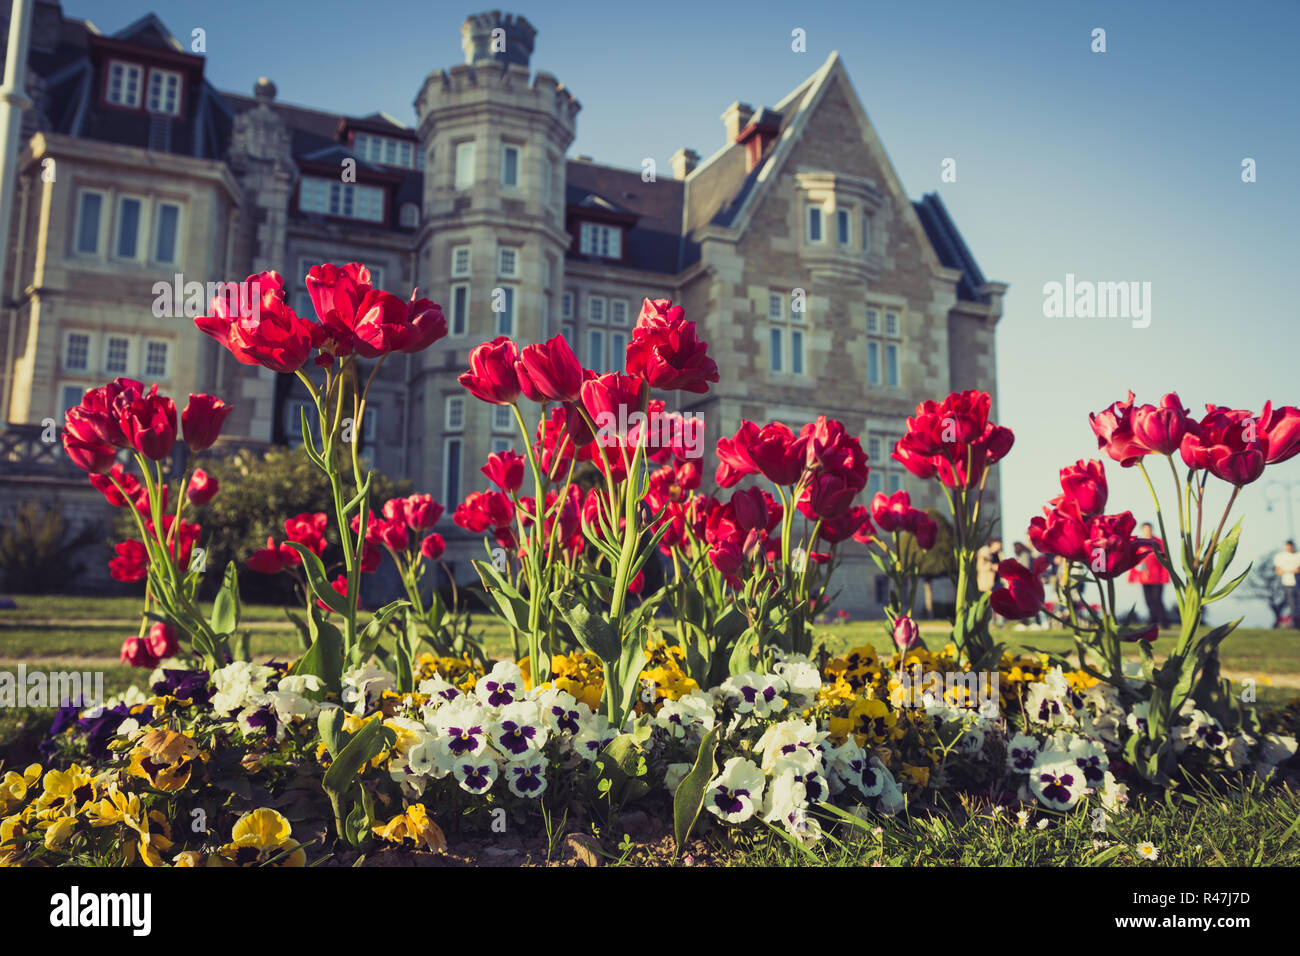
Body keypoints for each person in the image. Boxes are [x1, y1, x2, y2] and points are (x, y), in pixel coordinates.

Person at [1127, 522, 1171, 630]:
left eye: (1149, 529)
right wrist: (1132, 576)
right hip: (1144, 578)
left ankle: (1164, 623)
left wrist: (1165, 577)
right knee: (1148, 600)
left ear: (1152, 530)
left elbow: (1165, 560)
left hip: (1157, 578)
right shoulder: (1139, 543)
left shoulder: (1159, 542)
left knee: (1157, 599)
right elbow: (1134, 560)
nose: (1147, 531)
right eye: (1145, 529)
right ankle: (1152, 621)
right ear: (1142, 530)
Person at [1274, 540, 1300, 629]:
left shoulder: (1298, 555)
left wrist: (1286, 570)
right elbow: (1278, 571)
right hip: (1287, 583)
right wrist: (1291, 570)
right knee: (1292, 605)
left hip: (1298, 583)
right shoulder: (1280, 556)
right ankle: (1296, 625)